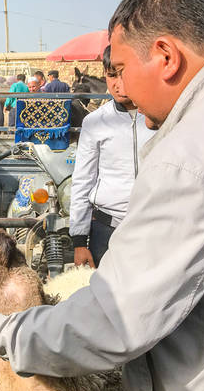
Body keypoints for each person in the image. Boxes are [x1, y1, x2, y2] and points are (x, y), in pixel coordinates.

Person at [0, 0, 204, 390]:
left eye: (122, 68)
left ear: (165, 56)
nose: (121, 87)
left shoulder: (192, 155)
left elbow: (117, 320)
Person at [69, 45, 156, 271]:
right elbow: (82, 180)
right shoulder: (95, 122)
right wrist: (79, 241)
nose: (118, 83)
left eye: (124, 73)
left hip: (156, 228)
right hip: (107, 230)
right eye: (111, 75)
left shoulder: (160, 117)